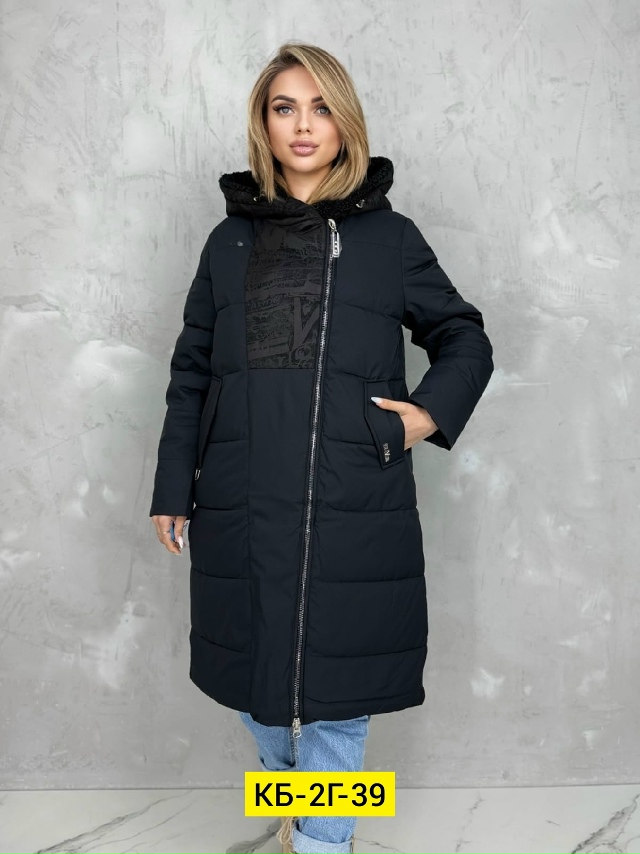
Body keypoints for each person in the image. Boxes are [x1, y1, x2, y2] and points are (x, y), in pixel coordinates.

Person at [149, 41, 494, 854]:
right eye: (284, 108)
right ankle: (293, 805)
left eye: (320, 107)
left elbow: (464, 336)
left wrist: (419, 418)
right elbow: (192, 371)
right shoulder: (226, 243)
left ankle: (321, 842)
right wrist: (172, 485)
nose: (303, 125)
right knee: (259, 691)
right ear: (263, 124)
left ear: (345, 124)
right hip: (239, 496)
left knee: (339, 699)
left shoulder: (389, 238)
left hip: (351, 496)